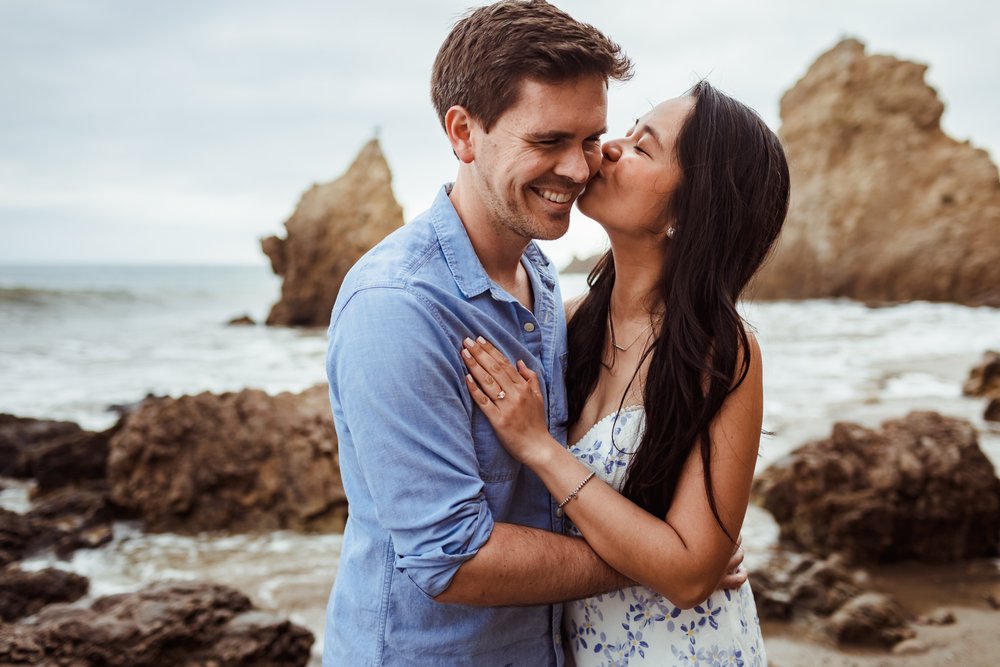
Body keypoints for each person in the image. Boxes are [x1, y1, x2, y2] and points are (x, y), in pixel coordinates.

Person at [323, 3, 747, 665]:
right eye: (549, 141)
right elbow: (453, 560)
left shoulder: (545, 285)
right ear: (464, 133)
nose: (580, 169)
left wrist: (682, 550)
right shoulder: (398, 307)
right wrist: (666, 564)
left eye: (590, 139)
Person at [461, 81, 790, 665]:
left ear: (693, 209)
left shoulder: (721, 351)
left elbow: (690, 578)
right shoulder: (563, 325)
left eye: (644, 148)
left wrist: (540, 447)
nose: (609, 148)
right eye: (628, 132)